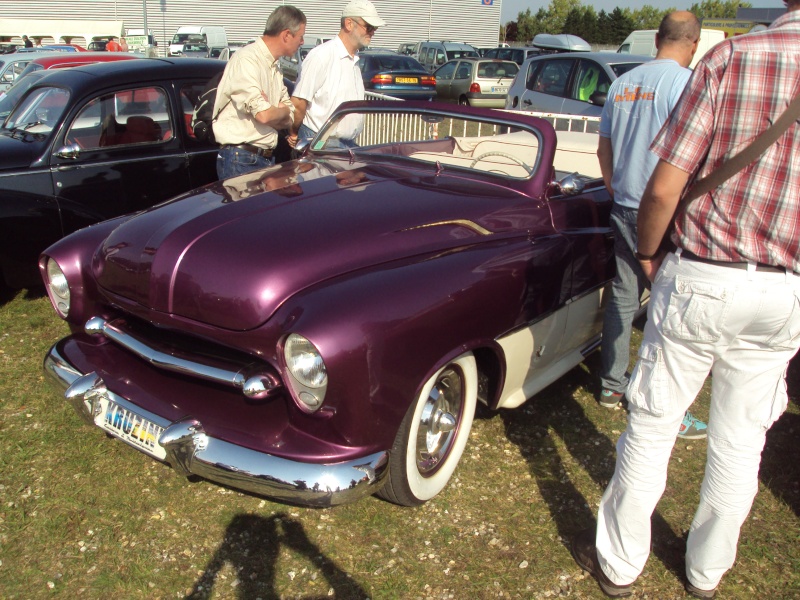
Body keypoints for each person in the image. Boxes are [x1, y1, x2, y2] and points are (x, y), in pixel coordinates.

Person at [572, 1, 800, 598]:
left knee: (652, 424)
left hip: (703, 268)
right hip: (783, 286)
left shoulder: (732, 59)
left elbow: (665, 184)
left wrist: (651, 252)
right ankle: (706, 569)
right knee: (742, 438)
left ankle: (621, 563)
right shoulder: (710, 61)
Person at [596, 11, 707, 441]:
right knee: (669, 306)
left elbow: (604, 147)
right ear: (693, 43)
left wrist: (614, 184)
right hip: (666, 210)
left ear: (657, 38)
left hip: (624, 203)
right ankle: (662, 403)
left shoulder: (623, 83)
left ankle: (611, 386)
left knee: (623, 297)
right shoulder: (686, 84)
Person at [212, 5, 306, 179]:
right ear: (286, 35)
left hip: (262, 158)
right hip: (241, 159)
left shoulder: (274, 66)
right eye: (300, 36)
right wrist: (278, 111)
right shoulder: (247, 60)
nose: (302, 42)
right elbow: (264, 115)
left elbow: (289, 115)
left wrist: (278, 111)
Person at [287, 0, 386, 149]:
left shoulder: (354, 60)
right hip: (320, 142)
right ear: (349, 24)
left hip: (346, 145)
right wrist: (294, 134)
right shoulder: (321, 56)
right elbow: (299, 102)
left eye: (375, 28)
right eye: (369, 27)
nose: (372, 32)